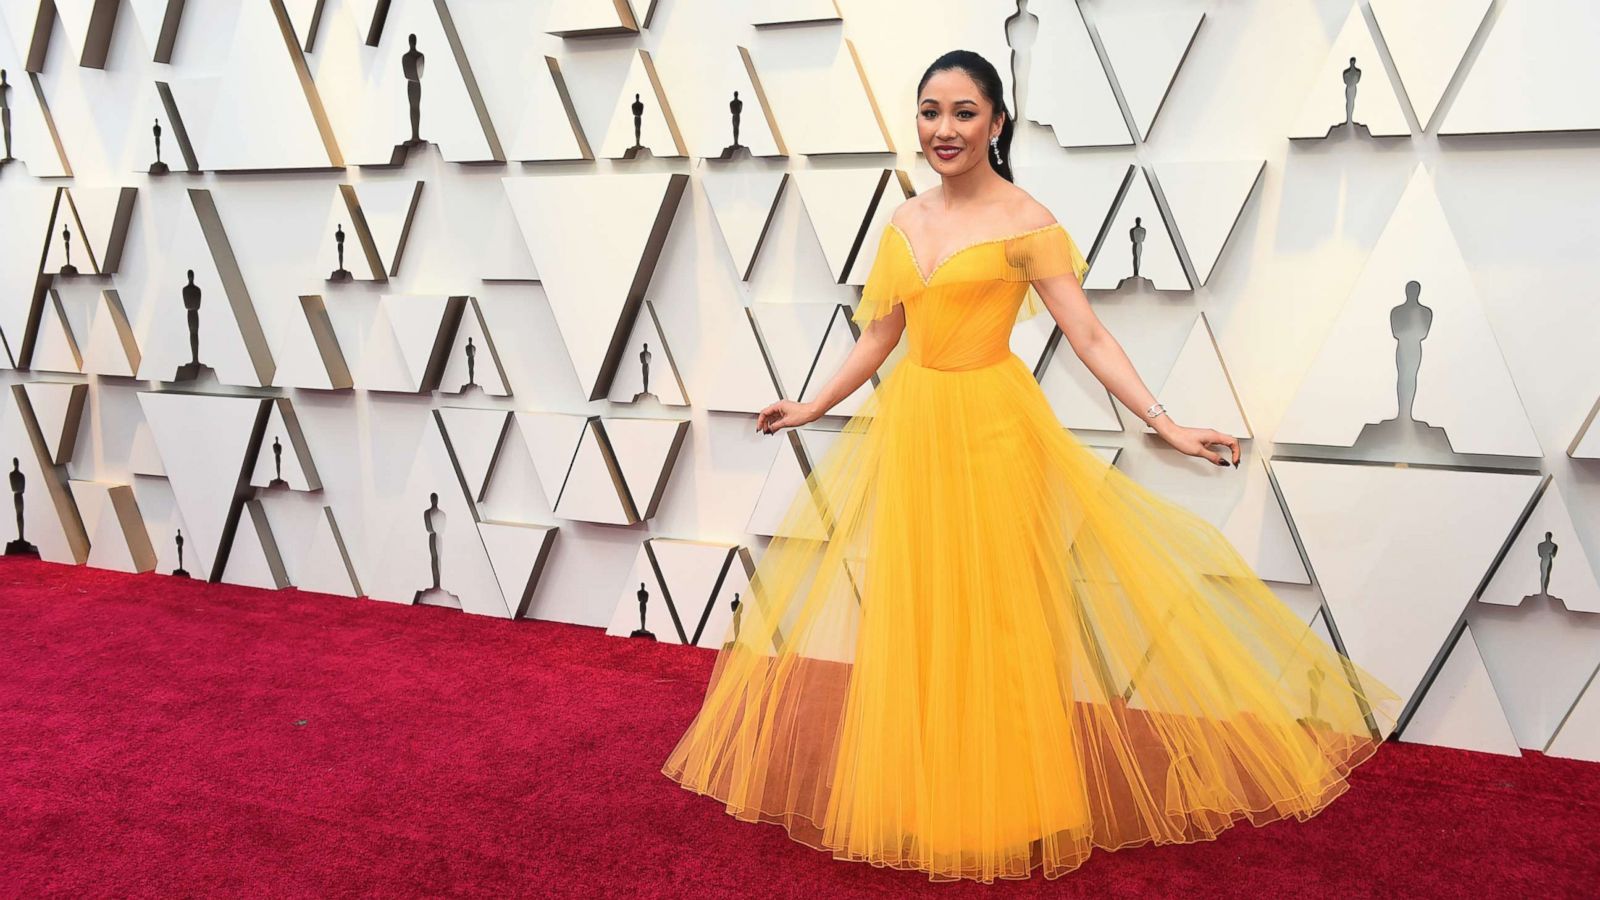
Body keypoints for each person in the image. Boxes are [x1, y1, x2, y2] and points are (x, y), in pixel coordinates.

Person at [661, 49, 1402, 884]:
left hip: (994, 429)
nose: (945, 129)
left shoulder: (1027, 221)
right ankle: (924, 789)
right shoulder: (904, 223)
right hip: (912, 427)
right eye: (931, 111)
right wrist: (810, 405)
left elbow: (1086, 335)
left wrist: (1165, 425)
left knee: (999, 614)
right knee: (921, 608)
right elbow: (880, 335)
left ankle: (1008, 802)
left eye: (964, 113)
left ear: (997, 123)